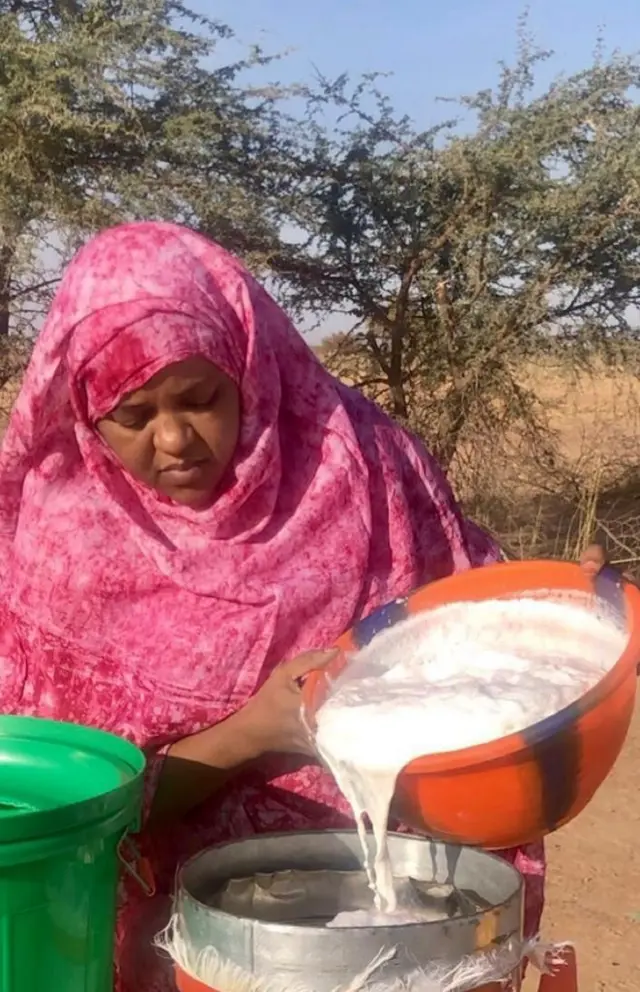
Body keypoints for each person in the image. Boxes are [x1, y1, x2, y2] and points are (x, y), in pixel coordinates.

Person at [0, 221, 550, 991]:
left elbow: (474, 624)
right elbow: (57, 810)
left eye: (200, 399)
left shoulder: (358, 465)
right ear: (89, 418)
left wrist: (564, 601)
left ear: (248, 372)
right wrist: (249, 734)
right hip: (168, 934)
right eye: (134, 415)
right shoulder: (61, 541)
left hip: (387, 908)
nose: (176, 439)